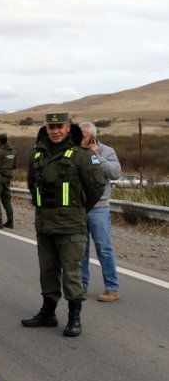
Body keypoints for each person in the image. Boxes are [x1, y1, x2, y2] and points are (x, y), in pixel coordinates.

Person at [22, 113, 106, 337]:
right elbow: (32, 184)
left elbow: (96, 187)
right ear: (46, 129)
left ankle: (74, 316)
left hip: (71, 226)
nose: (55, 131)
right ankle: (48, 313)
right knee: (47, 271)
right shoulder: (37, 154)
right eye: (51, 127)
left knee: (71, 273)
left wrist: (77, 209)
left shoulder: (82, 155)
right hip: (44, 224)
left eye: (59, 127)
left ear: (68, 128)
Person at [79, 122, 122, 302]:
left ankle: (111, 288)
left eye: (82, 136)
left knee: (104, 248)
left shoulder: (107, 151)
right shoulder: (74, 151)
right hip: (79, 207)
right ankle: (81, 286)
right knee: (80, 249)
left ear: (93, 137)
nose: (79, 140)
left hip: (99, 208)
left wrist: (98, 156)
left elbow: (116, 173)